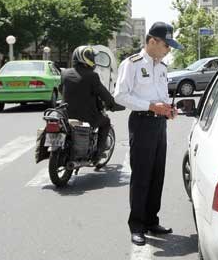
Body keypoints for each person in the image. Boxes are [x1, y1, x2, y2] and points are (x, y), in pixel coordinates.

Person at [114, 21, 177, 246]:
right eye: (166, 45)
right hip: (141, 123)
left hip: (160, 124)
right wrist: (151, 107)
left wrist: (169, 108)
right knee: (141, 176)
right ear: (152, 41)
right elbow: (120, 96)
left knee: (157, 174)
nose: (168, 50)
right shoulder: (131, 64)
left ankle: (152, 220)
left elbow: (161, 95)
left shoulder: (162, 67)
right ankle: (137, 225)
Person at [60, 46, 117, 163]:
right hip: (86, 117)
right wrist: (113, 104)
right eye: (92, 58)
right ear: (86, 59)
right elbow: (104, 94)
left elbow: (62, 90)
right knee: (105, 122)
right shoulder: (92, 76)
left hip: (64, 115)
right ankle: (98, 154)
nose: (94, 61)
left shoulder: (65, 73)